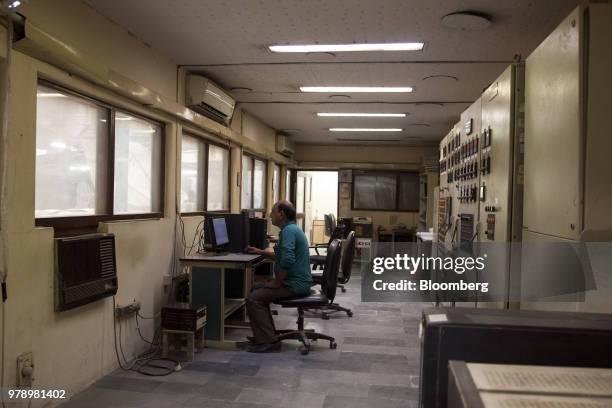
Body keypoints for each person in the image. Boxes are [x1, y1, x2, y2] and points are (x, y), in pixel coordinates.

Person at [245, 200, 312, 352]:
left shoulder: (289, 231)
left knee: (254, 298)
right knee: (255, 290)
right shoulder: (291, 229)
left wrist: (277, 281)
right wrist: (260, 252)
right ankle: (266, 335)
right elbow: (282, 256)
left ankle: (269, 342)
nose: (270, 215)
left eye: (273, 211)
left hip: (295, 285)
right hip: (296, 282)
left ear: (281, 214)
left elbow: (287, 260)